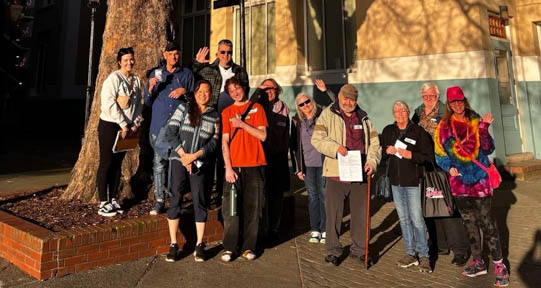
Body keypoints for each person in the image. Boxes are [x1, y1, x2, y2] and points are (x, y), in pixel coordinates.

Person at [434, 86, 509, 287]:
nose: (457, 105)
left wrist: (484, 129)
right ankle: (478, 262)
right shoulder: (443, 127)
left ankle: (500, 265)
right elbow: (439, 155)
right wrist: (448, 167)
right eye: (453, 102)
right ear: (449, 104)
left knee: (488, 224)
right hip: (459, 183)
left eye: (460, 101)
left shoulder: (475, 121)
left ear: (464, 101)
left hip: (480, 182)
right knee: (469, 224)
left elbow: (488, 148)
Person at [311, 84, 381, 267]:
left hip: (360, 173)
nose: (348, 102)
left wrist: (372, 162)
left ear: (356, 100)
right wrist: (335, 149)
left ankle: (359, 250)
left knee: (360, 216)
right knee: (333, 216)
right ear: (339, 97)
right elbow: (316, 139)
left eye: (352, 99)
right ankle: (333, 251)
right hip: (336, 173)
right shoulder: (327, 114)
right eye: (345, 98)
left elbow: (375, 143)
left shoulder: (364, 117)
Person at [412, 82, 470, 266]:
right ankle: (440, 245)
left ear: (438, 97)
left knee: (448, 207)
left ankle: (460, 249)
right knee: (430, 205)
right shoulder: (417, 112)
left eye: (432, 96)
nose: (428, 100)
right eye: (425, 96)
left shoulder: (446, 113)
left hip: (445, 165)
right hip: (425, 165)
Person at [163, 80, 220, 262]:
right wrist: (183, 155)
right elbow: (170, 132)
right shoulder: (183, 109)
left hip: (200, 162)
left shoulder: (214, 116)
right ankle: (173, 244)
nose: (203, 94)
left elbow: (214, 141)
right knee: (176, 198)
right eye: (200, 91)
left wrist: (195, 156)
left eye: (207, 91)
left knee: (200, 200)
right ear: (194, 93)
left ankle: (199, 244)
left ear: (211, 94)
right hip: (179, 159)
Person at [193, 39, 249, 205]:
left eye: (229, 52)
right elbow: (193, 81)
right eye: (223, 52)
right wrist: (197, 64)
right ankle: (208, 192)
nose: (226, 55)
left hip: (232, 120)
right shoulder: (208, 69)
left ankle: (224, 193)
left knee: (227, 157)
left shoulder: (239, 71)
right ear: (218, 53)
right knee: (209, 156)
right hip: (211, 118)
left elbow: (245, 93)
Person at [381, 100, 434, 273]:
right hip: (395, 183)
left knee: (417, 219)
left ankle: (424, 256)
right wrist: (385, 151)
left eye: (403, 110)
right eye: (397, 111)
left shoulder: (418, 132)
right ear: (393, 114)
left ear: (408, 112)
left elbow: (428, 156)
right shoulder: (389, 130)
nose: (400, 113)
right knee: (403, 220)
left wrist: (411, 154)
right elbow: (380, 151)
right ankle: (410, 253)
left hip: (413, 182)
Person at [220, 77, 267, 262]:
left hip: (254, 165)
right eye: (231, 91)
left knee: (253, 209)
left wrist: (242, 125)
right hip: (234, 168)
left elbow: (262, 135)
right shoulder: (227, 112)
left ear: (244, 88)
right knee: (231, 210)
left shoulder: (258, 109)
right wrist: (228, 168)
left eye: (237, 89)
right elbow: (224, 140)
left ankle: (248, 247)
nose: (235, 93)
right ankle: (230, 247)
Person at [144, 42, 194, 215]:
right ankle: (159, 200)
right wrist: (150, 88)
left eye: (177, 53)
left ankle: (175, 199)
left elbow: (195, 101)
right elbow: (147, 103)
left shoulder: (186, 74)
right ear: (164, 55)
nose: (174, 56)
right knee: (159, 163)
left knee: (177, 163)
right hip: (159, 125)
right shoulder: (156, 74)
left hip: (178, 127)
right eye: (171, 53)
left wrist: (185, 91)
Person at [96, 47, 143, 217]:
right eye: (125, 60)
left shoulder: (136, 81)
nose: (129, 62)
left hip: (128, 128)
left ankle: (114, 198)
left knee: (118, 164)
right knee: (106, 162)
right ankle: (103, 202)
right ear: (119, 62)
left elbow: (138, 105)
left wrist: (135, 124)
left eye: (131, 59)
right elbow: (109, 104)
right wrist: (123, 124)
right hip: (110, 126)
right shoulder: (113, 79)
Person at [290, 79, 335, 244]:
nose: (305, 106)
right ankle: (314, 229)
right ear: (299, 108)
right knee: (312, 198)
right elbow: (294, 147)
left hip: (323, 164)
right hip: (307, 166)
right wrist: (298, 169)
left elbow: (337, 106)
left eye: (307, 102)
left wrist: (325, 90)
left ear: (312, 102)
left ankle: (325, 229)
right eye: (301, 104)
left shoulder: (323, 115)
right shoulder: (297, 122)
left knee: (324, 197)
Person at [250, 78, 290, 244]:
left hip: (278, 158)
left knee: (276, 196)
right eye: (265, 89)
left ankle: (273, 229)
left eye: (271, 88)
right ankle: (261, 229)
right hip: (261, 157)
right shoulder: (257, 106)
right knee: (262, 195)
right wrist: (257, 91)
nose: (269, 92)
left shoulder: (283, 108)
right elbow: (246, 109)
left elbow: (287, 135)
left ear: (277, 89)